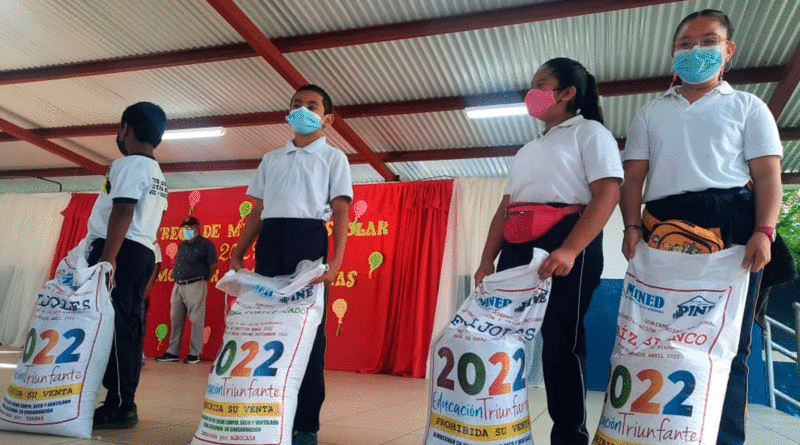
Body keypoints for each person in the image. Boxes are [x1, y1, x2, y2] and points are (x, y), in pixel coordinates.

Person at [618, 10, 785, 445]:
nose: (696, 51)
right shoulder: (651, 113)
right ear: (674, 53)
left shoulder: (748, 107)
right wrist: (631, 227)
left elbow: (768, 177)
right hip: (661, 229)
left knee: (731, 343)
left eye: (708, 41)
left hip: (733, 225)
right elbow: (633, 178)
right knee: (655, 336)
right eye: (685, 44)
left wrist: (764, 231)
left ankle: (724, 438)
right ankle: (653, 435)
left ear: (728, 50)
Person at [474, 58, 622, 445]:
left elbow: (607, 193)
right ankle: (493, 429)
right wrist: (487, 259)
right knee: (498, 340)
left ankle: (569, 438)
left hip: (566, 239)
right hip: (516, 243)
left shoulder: (590, 133)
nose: (531, 92)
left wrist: (571, 249)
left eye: (541, 83)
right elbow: (504, 208)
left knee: (561, 344)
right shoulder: (528, 149)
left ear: (568, 92)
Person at [230, 84, 352, 445]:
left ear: (327, 119)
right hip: (270, 242)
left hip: (309, 241)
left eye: (312, 106)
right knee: (267, 327)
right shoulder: (272, 158)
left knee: (309, 335)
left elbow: (342, 210)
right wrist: (239, 251)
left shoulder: (334, 159)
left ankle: (305, 425)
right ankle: (265, 413)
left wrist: (336, 261)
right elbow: (257, 210)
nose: (302, 109)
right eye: (296, 104)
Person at [85, 102, 168, 429]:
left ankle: (119, 405)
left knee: (116, 329)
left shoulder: (128, 164)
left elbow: (123, 211)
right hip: (142, 251)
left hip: (119, 250)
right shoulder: (157, 173)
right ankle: (123, 401)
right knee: (129, 329)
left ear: (126, 129)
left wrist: (107, 260)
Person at [156, 216, 217, 364]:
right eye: (184, 228)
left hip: (195, 284)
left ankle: (194, 353)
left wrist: (203, 281)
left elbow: (213, 266)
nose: (186, 231)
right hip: (178, 285)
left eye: (189, 228)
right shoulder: (182, 245)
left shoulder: (206, 245)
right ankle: (173, 352)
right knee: (175, 319)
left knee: (196, 320)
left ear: (197, 227)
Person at [141, 241, 162, 367]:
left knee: (139, 320)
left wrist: (148, 287)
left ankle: (139, 353)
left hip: (141, 287)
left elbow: (156, 265)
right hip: (124, 287)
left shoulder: (152, 242)